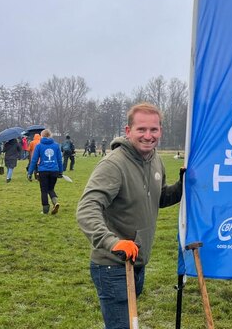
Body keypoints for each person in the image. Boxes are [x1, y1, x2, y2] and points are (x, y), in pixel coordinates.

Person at [76, 102, 183, 329]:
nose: (148, 135)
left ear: (160, 131)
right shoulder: (114, 165)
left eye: (153, 130)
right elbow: (87, 207)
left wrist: (183, 186)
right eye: (141, 129)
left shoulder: (155, 159)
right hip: (113, 266)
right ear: (128, 131)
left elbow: (159, 198)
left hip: (137, 262)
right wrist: (112, 242)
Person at [28, 129, 64, 215]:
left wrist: (30, 172)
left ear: (42, 136)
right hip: (54, 170)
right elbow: (59, 159)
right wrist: (61, 171)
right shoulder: (56, 145)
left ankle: (45, 209)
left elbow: (34, 160)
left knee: (44, 190)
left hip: (43, 171)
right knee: (51, 188)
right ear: (50, 135)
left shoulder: (39, 146)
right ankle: (55, 202)